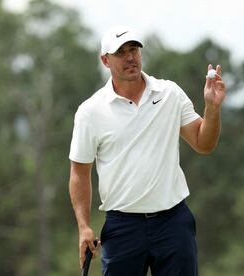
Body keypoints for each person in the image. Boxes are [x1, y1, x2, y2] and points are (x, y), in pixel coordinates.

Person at [68, 25, 226, 276]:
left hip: (173, 222)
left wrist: (213, 108)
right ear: (105, 60)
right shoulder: (91, 111)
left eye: (134, 50)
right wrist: (84, 226)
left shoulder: (169, 93)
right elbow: (79, 172)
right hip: (123, 227)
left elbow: (203, 143)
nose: (130, 57)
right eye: (121, 52)